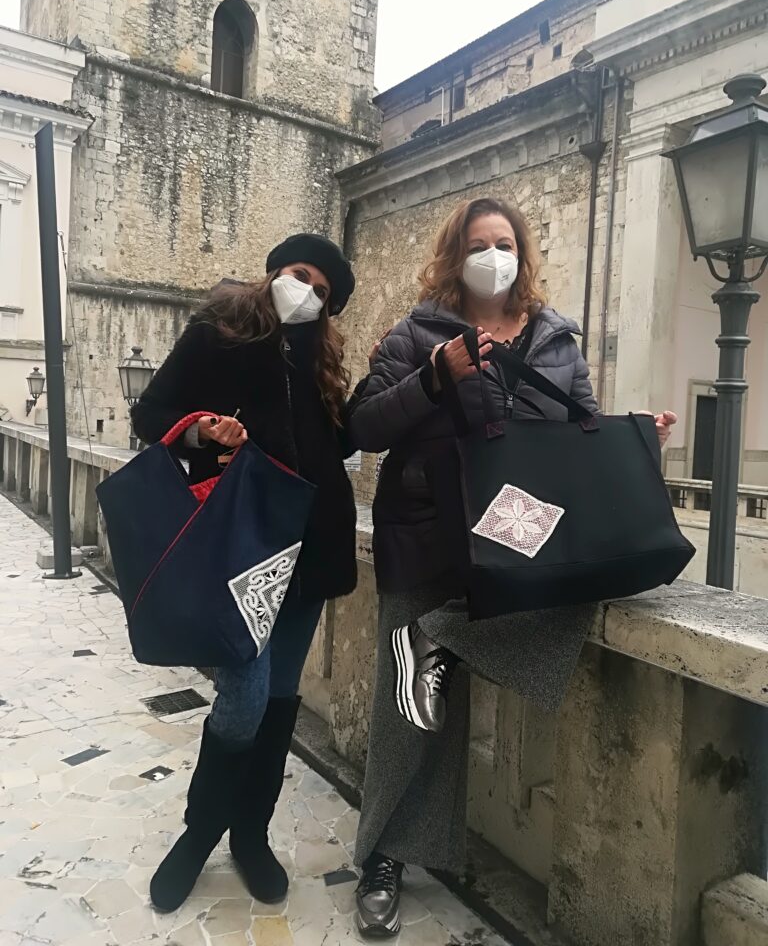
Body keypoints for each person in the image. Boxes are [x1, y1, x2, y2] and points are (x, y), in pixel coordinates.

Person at [347, 197, 677, 938]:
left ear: (522, 255)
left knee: (583, 591)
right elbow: (363, 426)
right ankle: (383, 859)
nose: (492, 256)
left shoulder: (557, 339)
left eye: (504, 243)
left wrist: (637, 439)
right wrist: (432, 378)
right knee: (410, 713)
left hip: (522, 532)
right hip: (429, 531)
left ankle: (444, 640)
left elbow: (583, 426)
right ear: (454, 255)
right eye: (477, 244)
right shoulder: (416, 333)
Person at [131, 233, 358, 913]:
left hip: (313, 548)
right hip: (243, 548)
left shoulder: (319, 361)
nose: (308, 292)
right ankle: (201, 831)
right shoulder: (219, 331)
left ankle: (251, 835)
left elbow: (337, 443)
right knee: (244, 696)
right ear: (275, 270)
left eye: (323, 291)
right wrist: (203, 429)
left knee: (280, 698)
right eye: (301, 275)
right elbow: (150, 414)